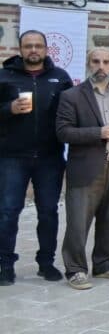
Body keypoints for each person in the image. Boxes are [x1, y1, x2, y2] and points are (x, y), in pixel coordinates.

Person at [56, 48, 109, 290]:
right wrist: (99, 133)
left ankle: (104, 264)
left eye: (106, 62)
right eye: (95, 61)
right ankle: (75, 269)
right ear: (88, 64)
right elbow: (63, 132)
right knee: (78, 223)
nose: (101, 66)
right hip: (85, 167)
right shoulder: (71, 96)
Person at [0, 30, 73, 285]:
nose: (33, 50)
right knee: (7, 212)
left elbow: (70, 113)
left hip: (49, 157)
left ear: (46, 49)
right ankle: (5, 265)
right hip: (11, 156)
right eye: (28, 46)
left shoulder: (60, 78)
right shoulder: (4, 76)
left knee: (49, 212)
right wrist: (8, 108)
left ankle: (46, 263)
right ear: (20, 49)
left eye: (38, 46)